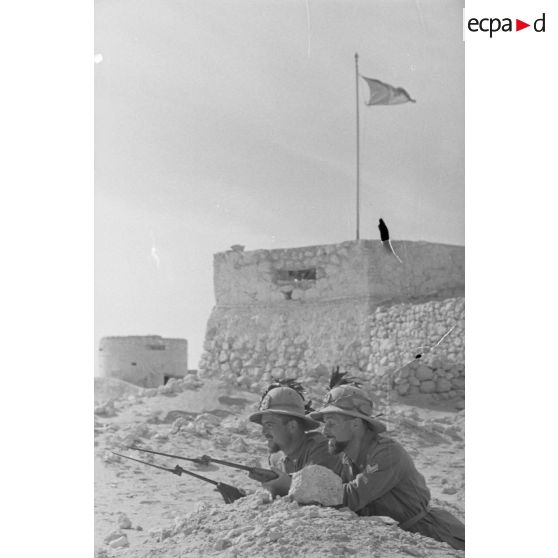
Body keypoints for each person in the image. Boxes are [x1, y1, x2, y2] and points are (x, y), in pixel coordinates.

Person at [309, 376, 465, 551]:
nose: (324, 431)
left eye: (331, 423)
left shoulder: (387, 453)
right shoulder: (348, 457)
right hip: (401, 539)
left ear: (355, 425)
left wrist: (307, 490)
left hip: (435, 535)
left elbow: (352, 497)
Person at [248, 380, 343, 497]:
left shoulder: (321, 449)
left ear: (292, 426)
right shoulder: (276, 458)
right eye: (263, 425)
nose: (263, 432)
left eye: (269, 425)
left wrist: (288, 485)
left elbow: (323, 494)